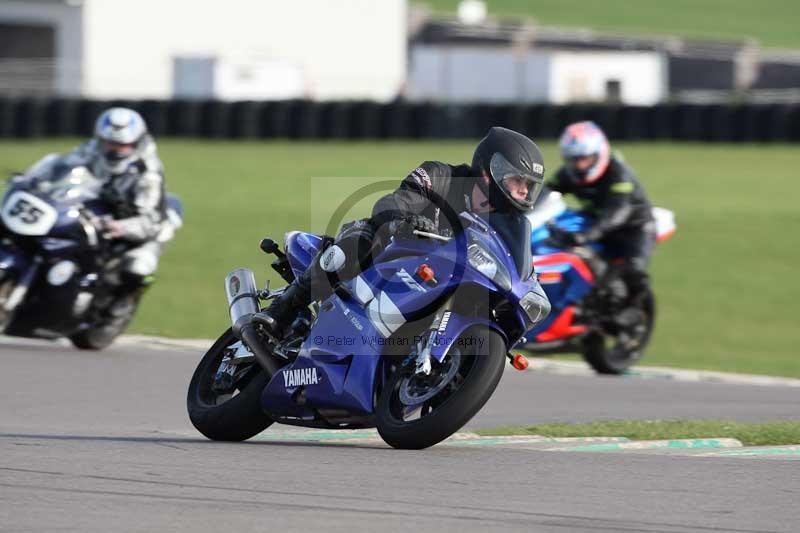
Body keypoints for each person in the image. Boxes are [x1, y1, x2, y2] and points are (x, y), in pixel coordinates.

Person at [261, 127, 552, 334]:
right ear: (491, 171)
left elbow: (515, 262)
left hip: (437, 283)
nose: (524, 192)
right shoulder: (441, 175)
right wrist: (400, 222)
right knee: (360, 240)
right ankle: (281, 311)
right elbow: (394, 201)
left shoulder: (509, 222)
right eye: (518, 182)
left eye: (529, 187)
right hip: (392, 256)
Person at [25, 107, 167, 295]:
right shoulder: (91, 150)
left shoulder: (147, 174)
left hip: (135, 225)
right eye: (109, 143)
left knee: (137, 270)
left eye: (122, 145)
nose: (114, 150)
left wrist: (120, 227)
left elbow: (151, 221)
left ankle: (113, 314)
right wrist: (33, 180)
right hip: (96, 212)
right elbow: (62, 166)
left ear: (136, 143)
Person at [548, 120, 655, 305]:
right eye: (574, 160)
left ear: (600, 153)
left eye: (585, 158)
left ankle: (633, 311)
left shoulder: (618, 173)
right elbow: (545, 193)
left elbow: (618, 212)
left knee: (634, 272)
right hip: (597, 225)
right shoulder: (568, 173)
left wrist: (588, 234)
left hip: (633, 227)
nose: (580, 165)